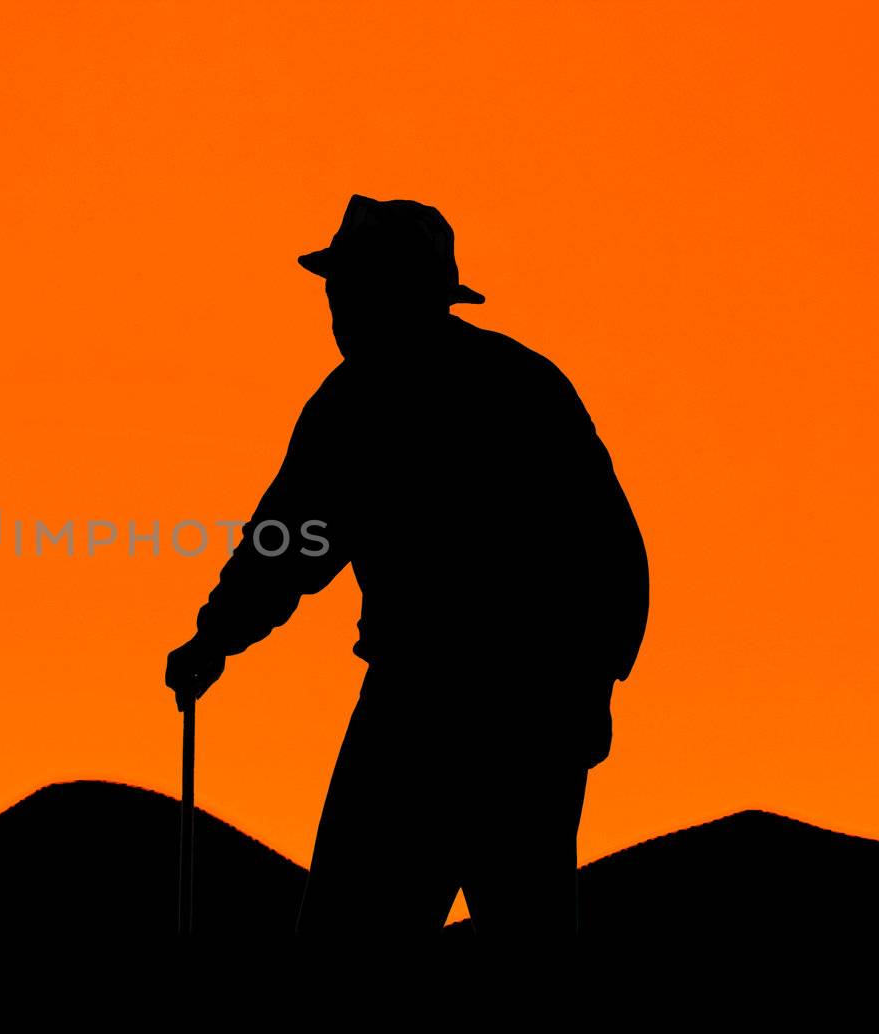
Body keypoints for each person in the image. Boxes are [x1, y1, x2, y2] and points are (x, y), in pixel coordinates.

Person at [164, 195, 649, 950]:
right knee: (521, 950)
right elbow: (614, 553)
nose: (337, 307)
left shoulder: (364, 403)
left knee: (357, 952)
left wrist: (214, 637)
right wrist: (217, 633)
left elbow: (285, 544)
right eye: (336, 289)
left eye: (352, 287)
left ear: (401, 292)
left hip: (450, 710)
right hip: (513, 712)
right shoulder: (514, 383)